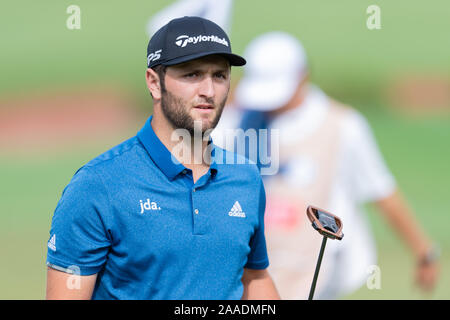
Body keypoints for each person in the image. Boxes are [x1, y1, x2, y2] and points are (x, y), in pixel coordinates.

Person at [45, 16, 280, 300]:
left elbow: (254, 277)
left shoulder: (245, 178)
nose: (208, 90)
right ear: (154, 83)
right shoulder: (98, 186)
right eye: (192, 74)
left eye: (219, 75)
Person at [212, 31, 440, 299]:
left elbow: (382, 192)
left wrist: (423, 251)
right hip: (252, 272)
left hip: (318, 272)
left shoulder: (343, 126)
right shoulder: (231, 122)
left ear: (302, 76)